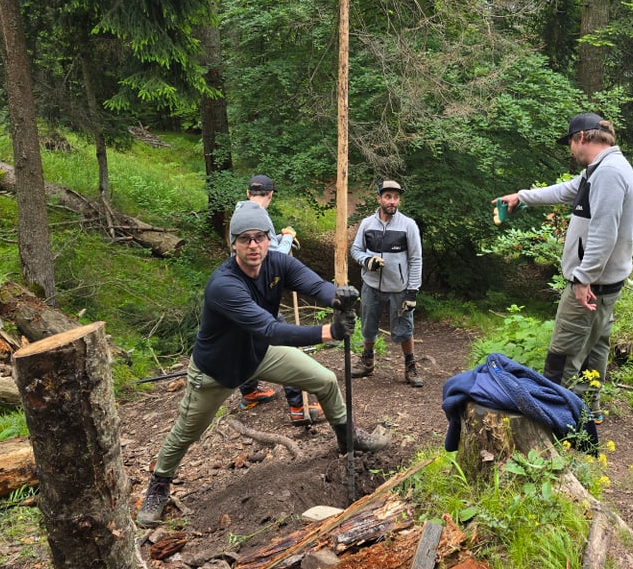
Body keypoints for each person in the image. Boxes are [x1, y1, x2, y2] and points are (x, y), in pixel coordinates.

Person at [136, 201, 390, 527]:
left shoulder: (278, 264)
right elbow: (269, 328)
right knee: (186, 433)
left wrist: (338, 297)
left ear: (269, 239)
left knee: (325, 381)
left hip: (259, 354)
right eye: (245, 239)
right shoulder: (223, 285)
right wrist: (328, 331)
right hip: (217, 372)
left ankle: (347, 437)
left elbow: (314, 285)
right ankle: (159, 484)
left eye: (259, 237)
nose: (253, 245)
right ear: (234, 244)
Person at [494, 112, 633, 424]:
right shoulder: (598, 171)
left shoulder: (610, 173)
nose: (570, 150)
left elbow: (604, 232)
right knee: (595, 347)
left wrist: (583, 278)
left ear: (582, 137)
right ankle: (589, 410)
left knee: (563, 352)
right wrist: (522, 197)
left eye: (571, 142)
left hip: (593, 283)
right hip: (603, 282)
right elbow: (564, 191)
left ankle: (553, 420)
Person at [234, 175, 320, 427]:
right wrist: (286, 238)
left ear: (248, 193)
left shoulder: (239, 214)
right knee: (286, 345)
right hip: (257, 297)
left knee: (244, 342)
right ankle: (298, 406)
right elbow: (272, 258)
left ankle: (249, 392)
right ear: (271, 194)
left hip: (238, 296)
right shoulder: (260, 218)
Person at [350, 179, 424, 387]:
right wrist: (367, 261)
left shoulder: (408, 225)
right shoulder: (366, 224)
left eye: (396, 197)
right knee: (368, 325)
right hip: (371, 285)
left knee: (404, 328)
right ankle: (367, 360)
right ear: (379, 198)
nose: (392, 201)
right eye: (388, 197)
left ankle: (410, 365)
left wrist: (412, 292)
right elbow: (356, 250)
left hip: (399, 288)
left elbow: (416, 259)